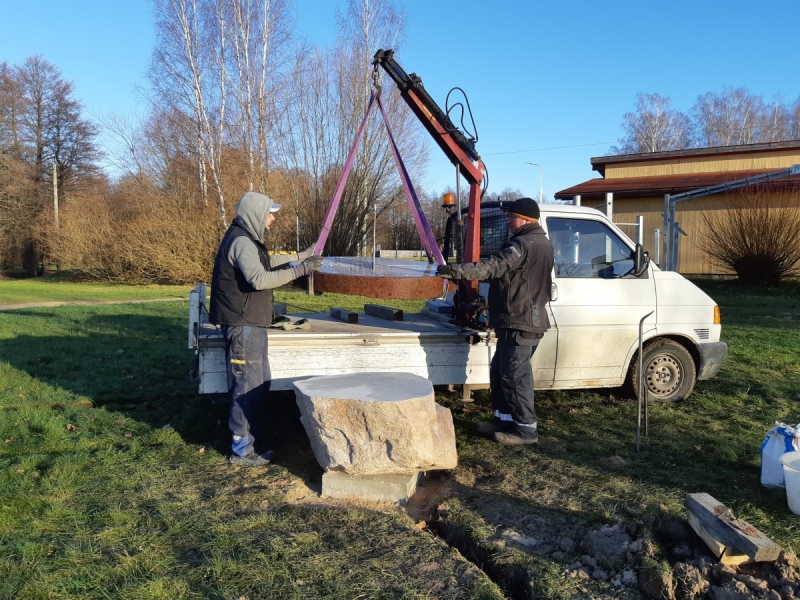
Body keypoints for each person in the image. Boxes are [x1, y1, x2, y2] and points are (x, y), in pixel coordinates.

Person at [210, 191, 323, 466]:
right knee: (245, 387)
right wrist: (300, 270)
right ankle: (242, 449)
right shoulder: (241, 241)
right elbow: (259, 278)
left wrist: (300, 257)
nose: (272, 218)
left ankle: (256, 441)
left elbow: (265, 262)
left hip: (251, 323)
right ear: (256, 214)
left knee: (259, 385)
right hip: (243, 326)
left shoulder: (246, 239)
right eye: (270, 213)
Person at [437, 197, 553, 445]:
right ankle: (503, 421)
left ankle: (525, 430)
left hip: (521, 321)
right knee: (500, 372)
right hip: (519, 320)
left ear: (525, 219)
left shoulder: (523, 244)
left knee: (514, 376)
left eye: (511, 217)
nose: (509, 222)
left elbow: (494, 266)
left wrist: (457, 271)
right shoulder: (539, 242)